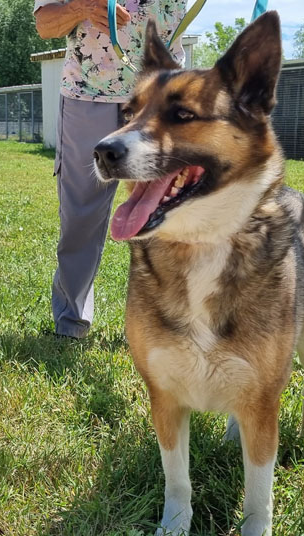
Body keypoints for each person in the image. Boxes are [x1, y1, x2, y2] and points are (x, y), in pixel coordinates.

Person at [35, 0, 186, 338]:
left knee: (172, 210)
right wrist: (83, 8)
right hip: (88, 93)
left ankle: (170, 322)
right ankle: (71, 322)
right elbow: (45, 23)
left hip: (161, 92)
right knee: (81, 214)